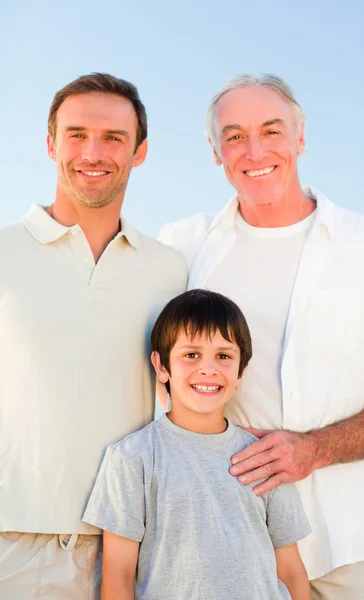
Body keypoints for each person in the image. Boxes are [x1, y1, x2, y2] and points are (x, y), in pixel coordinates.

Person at [158, 74, 364, 599]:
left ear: (301, 137)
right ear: (215, 151)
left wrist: (315, 450)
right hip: (218, 541)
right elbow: (154, 374)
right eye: (235, 136)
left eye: (272, 131)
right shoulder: (180, 247)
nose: (255, 151)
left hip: (339, 547)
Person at [0, 73, 187, 599]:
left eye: (113, 138)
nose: (93, 152)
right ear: (50, 143)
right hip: (17, 541)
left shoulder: (171, 269)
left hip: (133, 548)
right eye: (77, 134)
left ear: (140, 151)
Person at [83, 289, 312, 600]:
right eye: (191, 355)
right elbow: (118, 575)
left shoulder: (264, 457)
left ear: (241, 370)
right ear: (162, 366)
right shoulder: (132, 459)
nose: (208, 369)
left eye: (224, 356)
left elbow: (290, 571)